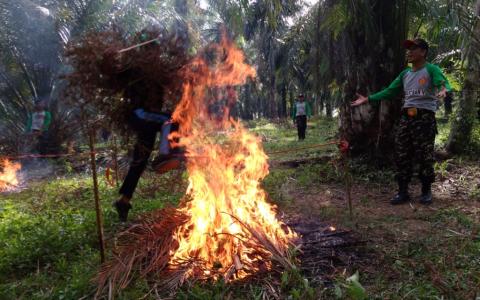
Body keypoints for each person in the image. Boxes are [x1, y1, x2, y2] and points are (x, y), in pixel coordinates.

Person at [351, 38, 451, 205]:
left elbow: (443, 83)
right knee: (402, 153)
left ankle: (426, 191)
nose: (409, 52)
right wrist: (368, 99)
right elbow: (390, 91)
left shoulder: (431, 69)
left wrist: (443, 90)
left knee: (425, 155)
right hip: (406, 117)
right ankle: (402, 191)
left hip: (424, 117)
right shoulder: (405, 74)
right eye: (408, 49)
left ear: (423, 52)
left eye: (413, 48)